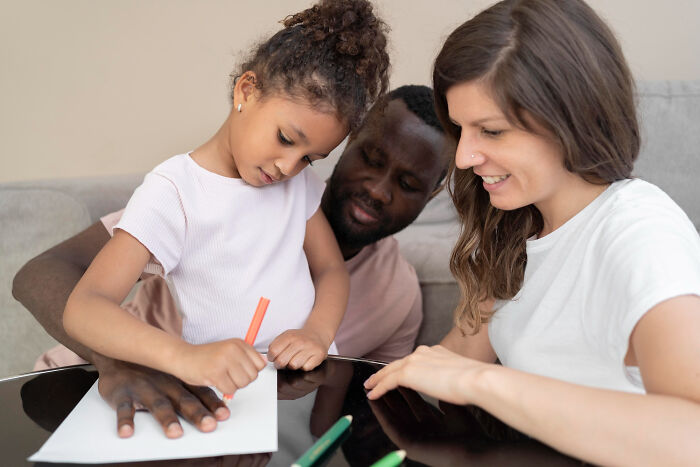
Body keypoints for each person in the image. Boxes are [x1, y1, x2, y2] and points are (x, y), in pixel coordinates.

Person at [364, 0, 700, 465]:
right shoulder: (518, 224)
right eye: (461, 129)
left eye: (492, 131)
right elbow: (456, 356)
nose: (463, 158)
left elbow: (691, 436)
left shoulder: (640, 234)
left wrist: (482, 383)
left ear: (571, 118)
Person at [13, 85, 451, 437]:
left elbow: (362, 418)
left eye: (410, 182)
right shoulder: (219, 198)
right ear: (348, 143)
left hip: (226, 433)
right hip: (88, 393)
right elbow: (40, 273)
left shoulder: (398, 295)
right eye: (371, 159)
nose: (378, 188)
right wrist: (119, 364)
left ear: (432, 194)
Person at [61, 0, 389, 436]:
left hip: (297, 391)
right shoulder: (174, 191)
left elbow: (330, 268)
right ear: (246, 91)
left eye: (309, 159)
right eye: (286, 138)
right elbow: (85, 308)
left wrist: (316, 331)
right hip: (223, 397)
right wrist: (185, 358)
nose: (288, 168)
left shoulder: (295, 187)